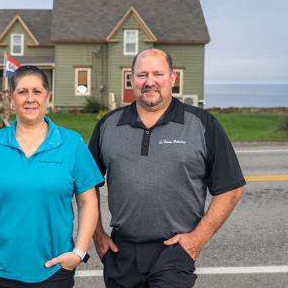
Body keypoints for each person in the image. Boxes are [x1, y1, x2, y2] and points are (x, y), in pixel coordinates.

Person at [89, 48, 246, 288]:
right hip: (121, 251)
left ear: (172, 79)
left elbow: (232, 188)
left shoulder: (202, 125)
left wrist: (198, 239)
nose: (149, 82)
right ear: (132, 80)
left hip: (174, 252)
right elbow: (87, 185)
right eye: (142, 75)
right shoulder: (108, 125)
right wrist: (97, 235)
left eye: (157, 74)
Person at [0, 65, 104, 287]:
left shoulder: (72, 143)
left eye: (37, 91)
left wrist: (79, 253)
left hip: (54, 267)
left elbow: (87, 200)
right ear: (12, 97)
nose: (30, 98)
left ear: (48, 97)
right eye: (22, 91)